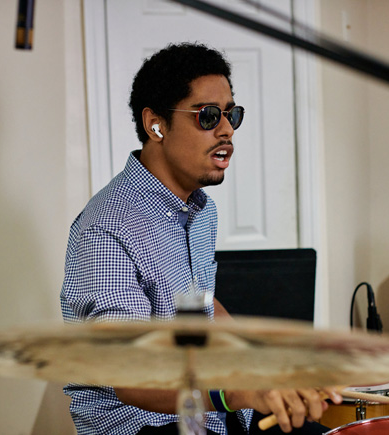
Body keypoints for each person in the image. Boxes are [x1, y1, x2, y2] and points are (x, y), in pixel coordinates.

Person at [60, 42, 341, 435]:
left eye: (231, 114)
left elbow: (200, 307)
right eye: (208, 116)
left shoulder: (199, 209)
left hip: (206, 412)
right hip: (148, 426)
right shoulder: (107, 229)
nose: (226, 129)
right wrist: (241, 391)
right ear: (155, 124)